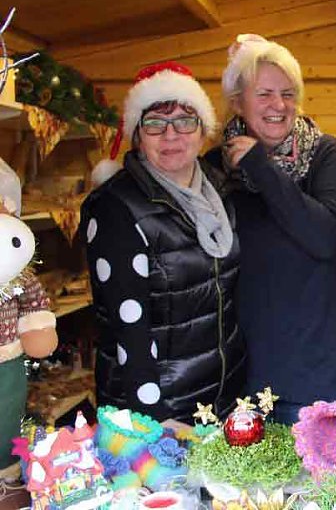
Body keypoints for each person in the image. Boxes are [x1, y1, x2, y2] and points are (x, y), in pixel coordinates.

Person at [205, 34, 336, 424]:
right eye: (265, 94)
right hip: (246, 375)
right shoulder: (214, 167)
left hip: (321, 371)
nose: (279, 105)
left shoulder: (324, 154)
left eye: (288, 94)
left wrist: (261, 167)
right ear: (237, 101)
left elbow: (326, 238)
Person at [81, 61, 246, 421]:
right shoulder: (116, 207)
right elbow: (129, 327)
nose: (171, 136)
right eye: (155, 123)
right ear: (138, 136)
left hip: (224, 400)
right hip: (159, 414)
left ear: (203, 131)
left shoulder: (221, 190)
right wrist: (155, 422)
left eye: (185, 121)